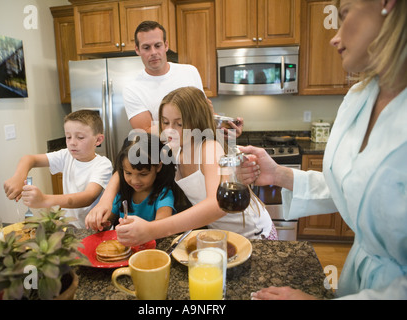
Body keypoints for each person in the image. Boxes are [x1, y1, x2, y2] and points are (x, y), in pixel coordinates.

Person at [241, 0, 407, 299]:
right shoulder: (359, 97)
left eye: (344, 16)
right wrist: (280, 175)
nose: (334, 36)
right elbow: (353, 185)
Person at [86, 86, 276, 242]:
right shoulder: (172, 145)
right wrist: (105, 201)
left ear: (197, 121)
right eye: (165, 122)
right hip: (224, 236)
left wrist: (152, 229)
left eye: (179, 123)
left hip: (255, 235)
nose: (170, 130)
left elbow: (217, 205)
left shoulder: (208, 147)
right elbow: (129, 162)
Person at [123, 20, 244, 136]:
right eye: (146, 47)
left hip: (198, 150)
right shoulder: (132, 88)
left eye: (157, 45)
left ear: (166, 46)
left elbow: (206, 114)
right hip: (163, 155)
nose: (153, 52)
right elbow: (147, 132)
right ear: (137, 50)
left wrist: (226, 127)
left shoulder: (190, 71)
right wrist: (192, 118)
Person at [4, 110, 113, 228]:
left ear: (98, 140)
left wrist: (44, 199)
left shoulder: (103, 164)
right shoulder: (66, 155)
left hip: (94, 230)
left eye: (80, 137)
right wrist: (19, 177)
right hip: (69, 228)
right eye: (68, 137)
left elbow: (88, 197)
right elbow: (29, 159)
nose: (72, 143)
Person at [103, 133, 177, 228]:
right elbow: (107, 223)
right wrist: (101, 223)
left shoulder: (163, 194)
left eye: (143, 174)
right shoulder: (122, 192)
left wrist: (143, 229)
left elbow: (163, 224)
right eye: (128, 173)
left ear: (158, 166)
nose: (134, 181)